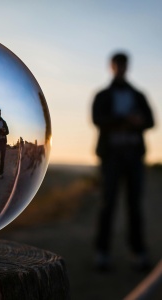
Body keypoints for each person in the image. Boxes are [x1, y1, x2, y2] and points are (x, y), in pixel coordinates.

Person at [92, 52, 154, 271]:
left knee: (134, 205)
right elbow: (97, 119)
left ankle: (137, 252)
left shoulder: (138, 95)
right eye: (117, 65)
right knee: (107, 204)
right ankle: (102, 253)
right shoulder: (103, 95)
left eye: (123, 65)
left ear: (127, 67)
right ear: (112, 67)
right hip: (111, 157)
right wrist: (125, 120)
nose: (120, 68)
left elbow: (151, 121)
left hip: (134, 157)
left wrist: (135, 122)